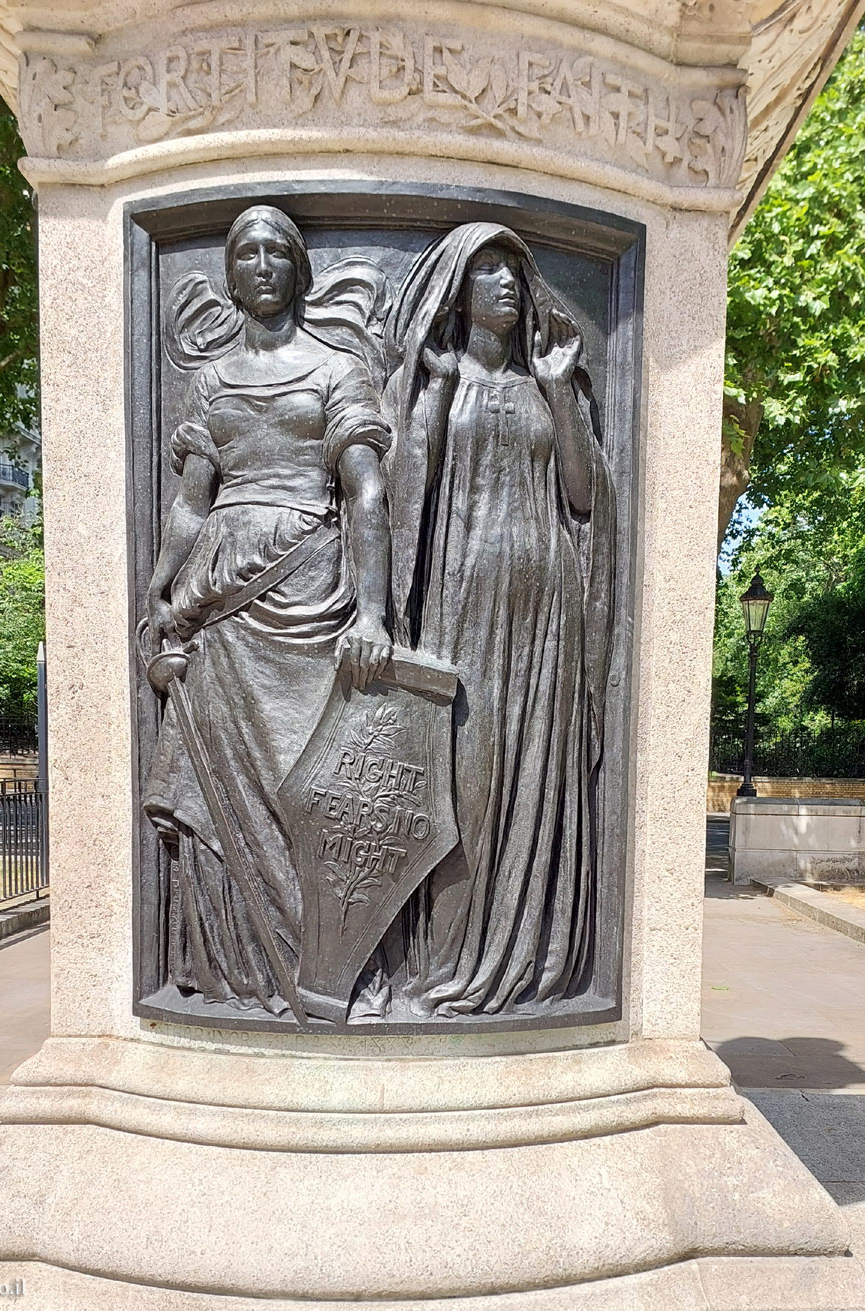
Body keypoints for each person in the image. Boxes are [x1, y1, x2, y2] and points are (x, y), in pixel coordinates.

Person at [144, 205, 392, 1017]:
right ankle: (239, 970)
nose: (260, 264)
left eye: (275, 251)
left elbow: (365, 491)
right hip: (219, 600)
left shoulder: (335, 369)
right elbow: (191, 502)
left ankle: (329, 964)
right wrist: (162, 584)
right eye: (244, 251)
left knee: (306, 789)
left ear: (298, 268)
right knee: (218, 788)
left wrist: (375, 613)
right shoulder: (209, 381)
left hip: (310, 588)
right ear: (230, 271)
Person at [382, 222, 616, 1016]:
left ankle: (521, 958)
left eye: (515, 272)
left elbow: (582, 498)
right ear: (460, 290)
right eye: (488, 272)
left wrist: (559, 388)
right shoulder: (438, 383)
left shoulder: (549, 384)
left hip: (545, 611)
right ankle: (441, 965)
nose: (508, 285)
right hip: (459, 609)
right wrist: (438, 388)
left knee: (526, 776)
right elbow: (404, 494)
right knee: (464, 785)